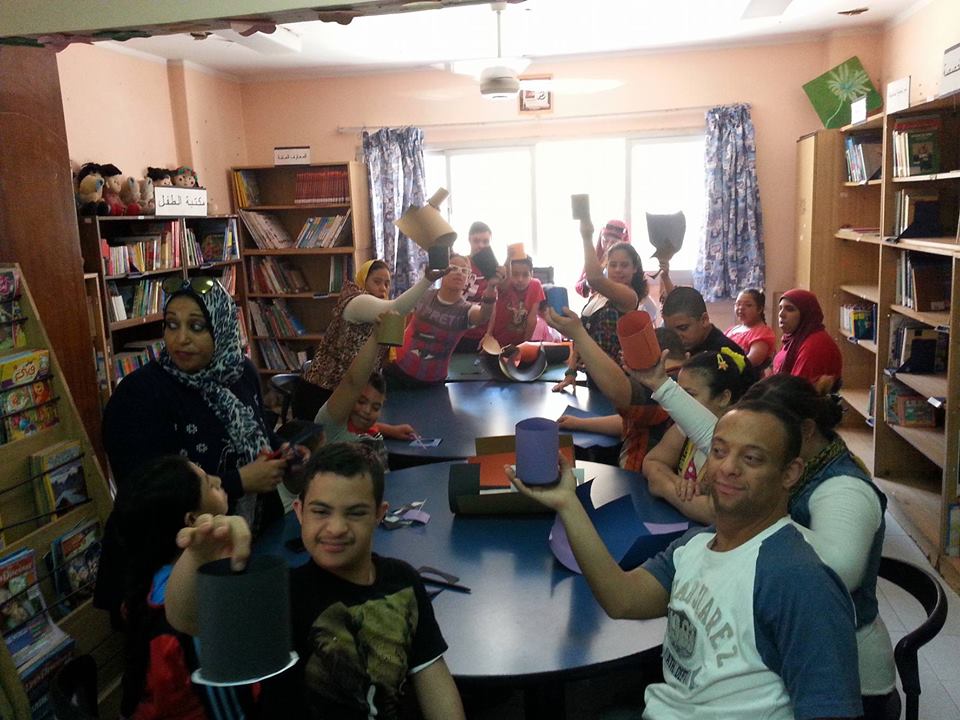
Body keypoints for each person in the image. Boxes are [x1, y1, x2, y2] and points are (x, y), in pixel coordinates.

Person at [506, 402, 863, 720]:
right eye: (719, 451)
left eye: (752, 458)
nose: (728, 467)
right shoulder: (698, 543)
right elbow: (623, 598)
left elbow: (830, 707)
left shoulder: (799, 579)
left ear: (790, 473)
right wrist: (568, 504)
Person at [628, 365, 896, 715]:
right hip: (775, 661)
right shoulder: (786, 462)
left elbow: (839, 569)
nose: (732, 461)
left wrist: (747, 515)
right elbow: (712, 432)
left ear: (804, 432)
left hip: (849, 680)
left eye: (752, 453)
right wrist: (661, 385)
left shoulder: (845, 488)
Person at [166, 443, 466, 720]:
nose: (335, 528)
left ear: (379, 514)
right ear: (299, 512)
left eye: (355, 513)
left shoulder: (403, 581)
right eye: (321, 511)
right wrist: (198, 555)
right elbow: (188, 619)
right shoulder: (281, 593)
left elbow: (433, 678)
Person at [102, 277, 286, 526]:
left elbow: (258, 430)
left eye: (196, 326)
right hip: (189, 543)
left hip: (260, 531)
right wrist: (239, 481)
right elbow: (144, 496)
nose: (181, 339)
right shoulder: (139, 395)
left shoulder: (240, 372)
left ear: (222, 327)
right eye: (172, 325)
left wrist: (283, 452)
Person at [111, 455, 254, 720]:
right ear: (193, 519)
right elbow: (232, 709)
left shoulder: (148, 580)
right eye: (208, 483)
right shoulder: (194, 614)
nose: (218, 480)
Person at [294, 260, 443, 420]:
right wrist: (427, 280)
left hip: (349, 395)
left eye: (387, 284)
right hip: (321, 394)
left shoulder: (379, 316)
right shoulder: (357, 302)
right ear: (363, 280)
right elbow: (396, 309)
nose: (383, 288)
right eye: (377, 282)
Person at [641, 348, 753, 522]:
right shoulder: (684, 427)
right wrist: (677, 483)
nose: (680, 402)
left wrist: (664, 487)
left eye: (689, 395)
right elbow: (652, 462)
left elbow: (716, 514)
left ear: (724, 398)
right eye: (678, 393)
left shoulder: (738, 444)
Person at [555, 219, 652, 392]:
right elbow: (581, 336)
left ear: (635, 268)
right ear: (607, 266)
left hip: (617, 379)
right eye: (613, 265)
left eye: (624, 265)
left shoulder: (629, 296)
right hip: (593, 376)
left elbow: (594, 279)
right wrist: (570, 373)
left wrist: (586, 237)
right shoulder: (596, 296)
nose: (618, 270)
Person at [385, 255, 502, 386]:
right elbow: (398, 311)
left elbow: (483, 316)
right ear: (442, 272)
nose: (459, 273)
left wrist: (491, 287)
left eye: (464, 270)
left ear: (469, 278)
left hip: (433, 381)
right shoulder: (423, 295)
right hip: (398, 368)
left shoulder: (466, 310)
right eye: (453, 268)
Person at [773, 288, 842, 389]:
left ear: (806, 314)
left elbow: (799, 390)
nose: (781, 314)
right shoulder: (795, 337)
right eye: (780, 308)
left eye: (790, 309)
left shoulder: (816, 346)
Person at [661, 286, 745, 357]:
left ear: (704, 320)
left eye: (683, 328)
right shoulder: (681, 348)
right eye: (670, 331)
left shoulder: (724, 354)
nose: (677, 337)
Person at [456, 221, 495, 352]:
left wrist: (488, 334)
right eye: (476, 241)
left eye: (485, 241)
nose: (481, 245)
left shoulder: (492, 268)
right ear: (469, 240)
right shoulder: (460, 264)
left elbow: (494, 305)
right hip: (457, 331)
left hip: (480, 335)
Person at [490, 254, 545, 347]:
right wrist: (489, 334)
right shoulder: (505, 285)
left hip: (520, 342)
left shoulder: (536, 285)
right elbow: (492, 311)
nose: (520, 279)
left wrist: (525, 345)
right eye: (515, 274)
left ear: (531, 274)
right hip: (498, 341)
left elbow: (532, 319)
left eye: (525, 275)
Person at [724, 288, 776, 369]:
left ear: (759, 309)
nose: (741, 308)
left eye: (748, 305)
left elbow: (750, 362)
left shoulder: (763, 333)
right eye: (738, 304)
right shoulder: (731, 330)